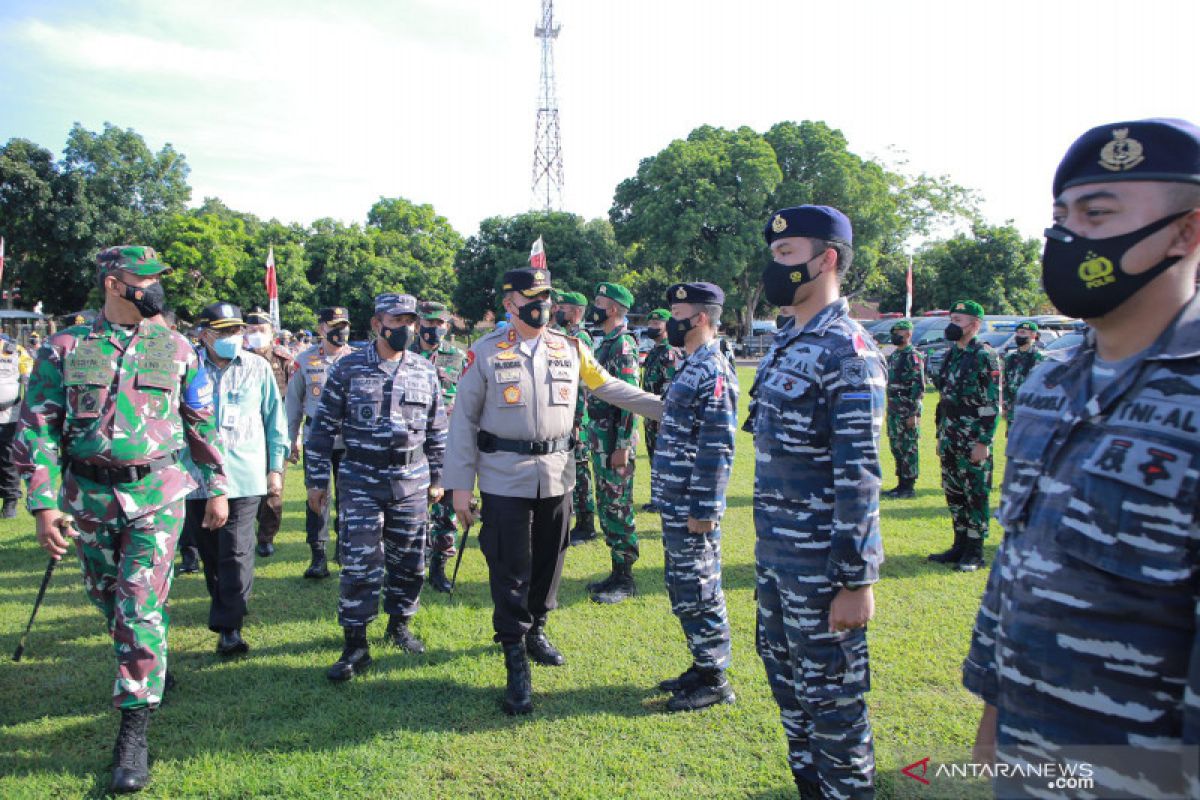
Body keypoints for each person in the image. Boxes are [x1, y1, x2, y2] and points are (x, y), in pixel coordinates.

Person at [964, 118, 1200, 800]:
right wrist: (993, 711)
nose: (1065, 239)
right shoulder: (1048, 385)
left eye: (1096, 216)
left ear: (1186, 233)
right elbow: (1016, 562)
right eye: (1060, 217)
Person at [15, 245, 227, 793]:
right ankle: (148, 664)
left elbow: (201, 424)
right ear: (114, 283)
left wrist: (219, 488)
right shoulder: (64, 347)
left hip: (157, 495)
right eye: (145, 277)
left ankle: (133, 731)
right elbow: (37, 427)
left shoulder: (178, 347)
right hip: (88, 499)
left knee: (139, 601)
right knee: (109, 599)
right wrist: (42, 504)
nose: (155, 286)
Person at [443, 267, 661, 715]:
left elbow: (609, 386)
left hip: (558, 473)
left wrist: (664, 406)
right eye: (533, 296)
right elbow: (462, 422)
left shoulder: (569, 347)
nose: (543, 304)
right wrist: (459, 488)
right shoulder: (484, 353)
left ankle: (537, 628)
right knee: (510, 566)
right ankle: (513, 655)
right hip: (505, 474)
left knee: (550, 559)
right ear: (510, 304)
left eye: (547, 296)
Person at [747, 206, 885, 800]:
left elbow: (859, 475)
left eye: (786, 256)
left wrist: (856, 580)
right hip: (777, 556)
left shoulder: (847, 351)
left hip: (823, 572)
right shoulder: (787, 341)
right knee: (790, 694)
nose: (775, 267)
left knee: (833, 704)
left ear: (826, 259)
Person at [305, 293, 446, 682]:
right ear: (377, 323)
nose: (407, 328)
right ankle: (355, 643)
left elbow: (437, 431)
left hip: (412, 481)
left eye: (411, 321)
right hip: (361, 479)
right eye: (398, 320)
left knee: (411, 560)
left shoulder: (424, 370)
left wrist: (438, 478)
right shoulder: (348, 369)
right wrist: (317, 481)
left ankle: (399, 624)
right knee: (360, 562)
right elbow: (321, 431)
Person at [181, 303, 288, 656]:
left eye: (236, 331)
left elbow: (275, 419)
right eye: (224, 332)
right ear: (203, 334)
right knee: (212, 555)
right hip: (196, 477)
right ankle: (226, 611)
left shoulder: (257, 367)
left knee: (237, 553)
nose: (232, 338)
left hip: (244, 476)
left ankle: (229, 627)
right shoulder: (187, 368)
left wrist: (275, 468)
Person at [651, 283, 737, 712]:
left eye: (678, 311)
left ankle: (716, 677)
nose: (671, 319)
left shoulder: (713, 369)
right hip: (676, 498)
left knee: (700, 585)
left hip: (692, 504)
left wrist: (705, 508)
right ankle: (702, 665)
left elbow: (718, 444)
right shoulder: (691, 365)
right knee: (684, 584)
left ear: (700, 318)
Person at [929, 300, 999, 572]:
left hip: (972, 438)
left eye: (958, 320)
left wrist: (984, 441)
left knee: (976, 494)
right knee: (954, 492)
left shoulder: (984, 356)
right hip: (950, 435)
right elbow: (943, 400)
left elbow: (992, 403)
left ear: (974, 325)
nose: (952, 325)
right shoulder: (951, 355)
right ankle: (959, 545)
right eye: (952, 318)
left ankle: (975, 552)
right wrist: (939, 435)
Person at [582, 282, 642, 604]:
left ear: (615, 308)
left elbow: (631, 400)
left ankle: (626, 578)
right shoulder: (605, 342)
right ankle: (617, 571)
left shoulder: (623, 346)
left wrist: (623, 446)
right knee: (607, 506)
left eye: (600, 301)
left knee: (618, 507)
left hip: (615, 443)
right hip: (601, 439)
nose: (596, 306)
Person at [284, 305, 353, 579]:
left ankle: (345, 549)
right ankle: (318, 554)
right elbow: (294, 405)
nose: (341, 331)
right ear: (322, 327)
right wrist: (292, 440)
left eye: (344, 325)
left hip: (349, 441)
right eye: (335, 326)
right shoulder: (304, 360)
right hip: (317, 440)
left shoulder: (356, 359)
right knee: (317, 498)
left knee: (350, 497)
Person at [411, 300, 467, 593]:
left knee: (446, 511)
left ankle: (439, 567)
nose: (435, 329)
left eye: (440, 324)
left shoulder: (458, 357)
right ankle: (412, 565)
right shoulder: (404, 354)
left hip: (449, 444)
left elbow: (470, 399)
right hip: (413, 444)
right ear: (419, 323)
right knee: (412, 509)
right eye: (429, 323)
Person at [243, 307, 295, 558]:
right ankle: (245, 530)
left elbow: (293, 399)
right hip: (245, 433)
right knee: (247, 486)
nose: (256, 334)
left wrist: (293, 436)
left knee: (274, 488)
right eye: (251, 330)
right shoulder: (237, 358)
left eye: (261, 330)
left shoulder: (283, 359)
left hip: (276, 430)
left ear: (271, 332)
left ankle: (266, 537)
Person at [555, 291, 598, 544]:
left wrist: (577, 421)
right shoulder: (566, 336)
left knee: (580, 471)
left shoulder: (579, 338)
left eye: (563, 307)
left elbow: (582, 384)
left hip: (577, 418)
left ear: (577, 312)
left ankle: (586, 524)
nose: (558, 310)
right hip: (568, 416)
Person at [639, 308, 676, 513]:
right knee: (654, 456)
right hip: (650, 413)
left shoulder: (669, 352)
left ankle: (665, 499)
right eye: (650, 324)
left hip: (661, 414)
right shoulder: (654, 350)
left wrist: (663, 416)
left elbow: (669, 386)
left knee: (664, 458)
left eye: (657, 324)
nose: (652, 327)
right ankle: (657, 498)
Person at [883, 319, 925, 499]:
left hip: (907, 410)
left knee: (908, 447)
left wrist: (914, 413)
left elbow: (918, 386)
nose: (895, 336)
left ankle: (908, 486)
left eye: (898, 333)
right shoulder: (894, 355)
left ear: (908, 334)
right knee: (896, 447)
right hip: (894, 410)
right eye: (894, 333)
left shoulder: (912, 356)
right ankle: (900, 484)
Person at [0, 335, 29, 517]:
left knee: (7, 461)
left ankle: (10, 502)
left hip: (9, 415)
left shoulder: (16, 351)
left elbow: (30, 378)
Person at [1000, 320, 1042, 428]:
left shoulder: (1041, 358)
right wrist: (1004, 404)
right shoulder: (1010, 358)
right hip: (1013, 407)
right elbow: (1005, 382)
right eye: (1017, 332)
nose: (1019, 335)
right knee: (1011, 441)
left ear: (1033, 335)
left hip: (1031, 408)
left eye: (1023, 332)